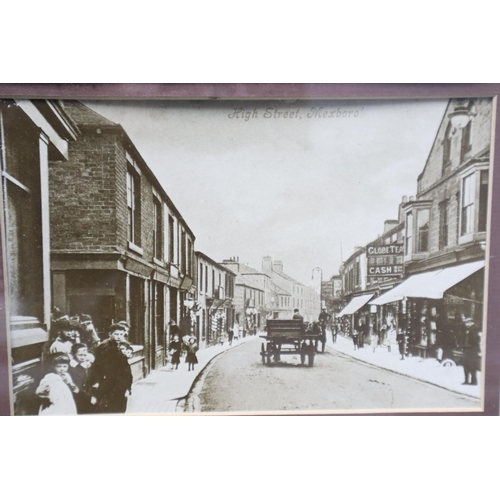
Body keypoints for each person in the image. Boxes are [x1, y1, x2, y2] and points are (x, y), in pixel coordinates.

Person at [89, 324, 133, 413]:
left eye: (121, 334)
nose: (119, 337)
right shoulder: (105, 347)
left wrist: (127, 386)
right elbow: (102, 369)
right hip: (111, 386)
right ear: (110, 334)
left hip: (119, 385)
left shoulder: (119, 345)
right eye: (116, 334)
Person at [69, 344, 94, 413]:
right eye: (80, 355)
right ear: (74, 354)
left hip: (87, 395)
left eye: (85, 355)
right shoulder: (72, 368)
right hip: (79, 397)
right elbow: (77, 387)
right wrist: (89, 398)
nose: (83, 357)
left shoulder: (85, 366)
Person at [463, 318, 481, 385]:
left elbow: (474, 340)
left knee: (471, 365)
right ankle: (469, 380)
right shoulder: (470, 329)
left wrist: (468, 345)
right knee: (468, 365)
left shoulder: (473, 329)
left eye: (467, 323)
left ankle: (472, 381)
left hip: (472, 350)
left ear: (470, 322)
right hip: (470, 350)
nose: (466, 324)